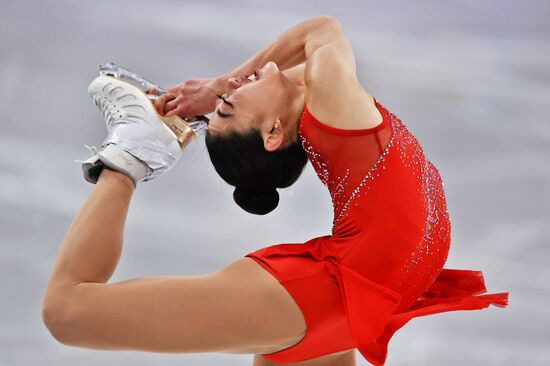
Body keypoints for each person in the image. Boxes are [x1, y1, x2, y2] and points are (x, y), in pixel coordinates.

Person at [42, 16, 508, 366]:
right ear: (272, 134)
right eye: (230, 107)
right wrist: (221, 85)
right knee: (67, 309)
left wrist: (226, 89)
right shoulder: (331, 100)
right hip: (330, 295)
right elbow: (322, 29)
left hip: (353, 301)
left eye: (223, 105)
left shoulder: (309, 96)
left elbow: (309, 46)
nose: (231, 90)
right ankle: (133, 154)